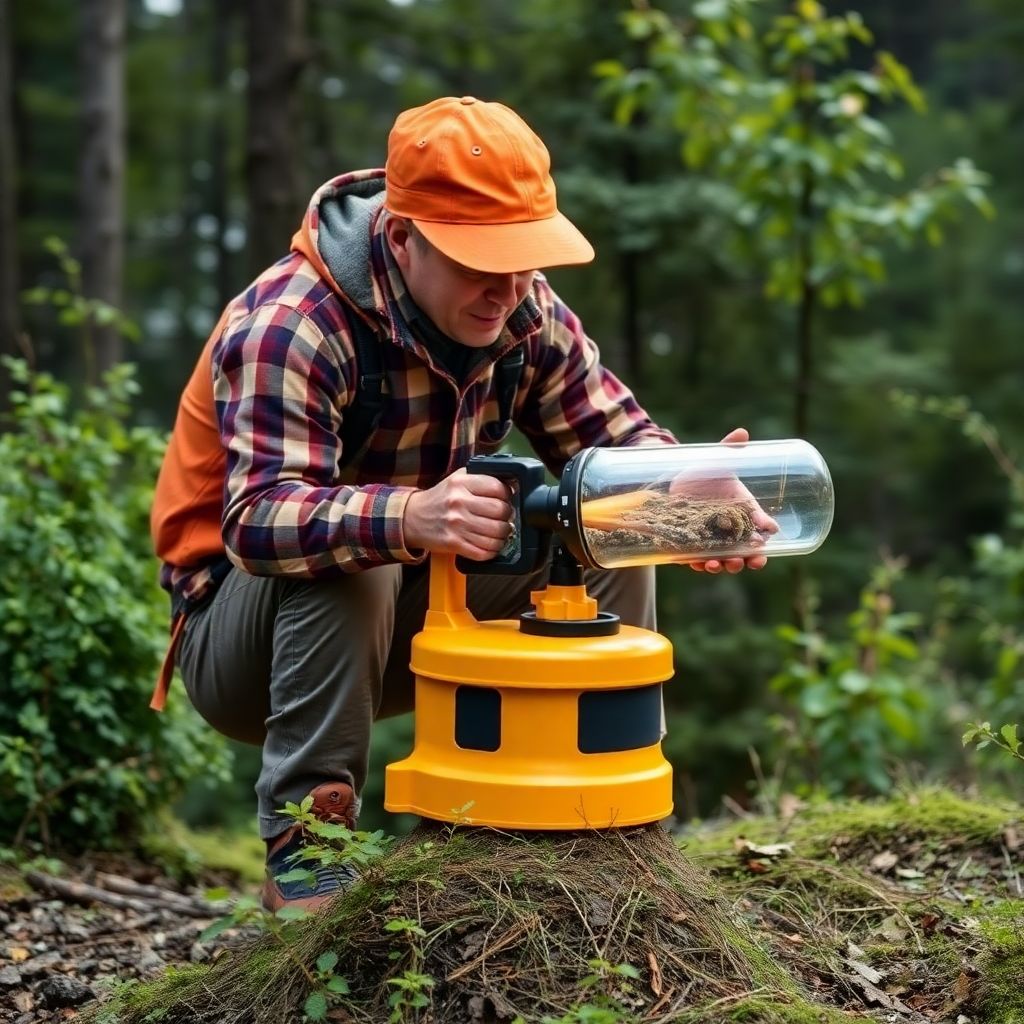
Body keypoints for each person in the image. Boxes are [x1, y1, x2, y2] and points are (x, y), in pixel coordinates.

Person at [149, 96, 766, 912]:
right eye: (482, 261)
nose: (508, 287)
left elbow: (613, 440)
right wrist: (408, 518)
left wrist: (683, 486)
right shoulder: (293, 325)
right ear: (403, 238)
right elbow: (257, 520)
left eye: (522, 257)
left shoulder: (523, 306)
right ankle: (311, 857)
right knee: (359, 554)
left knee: (610, 519)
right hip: (246, 647)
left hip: (424, 614)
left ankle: (600, 815)